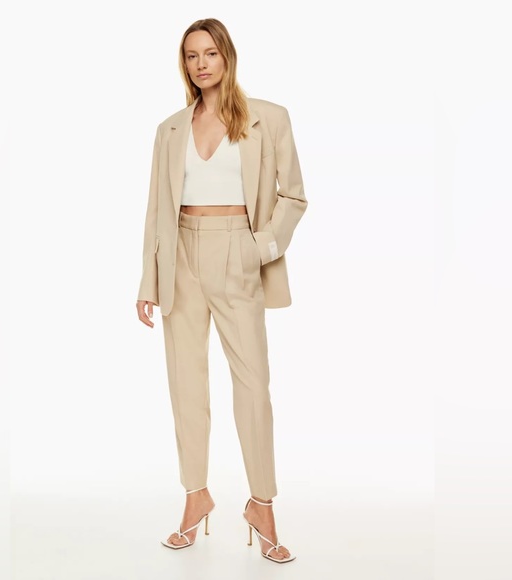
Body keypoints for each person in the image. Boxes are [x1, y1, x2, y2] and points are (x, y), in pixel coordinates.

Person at [136, 17, 307, 563]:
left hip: (240, 252)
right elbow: (156, 210)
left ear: (227, 56)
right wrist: (148, 280)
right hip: (180, 258)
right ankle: (196, 496)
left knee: (253, 385)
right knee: (186, 385)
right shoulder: (170, 129)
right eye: (191, 56)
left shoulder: (269, 118)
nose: (201, 64)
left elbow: (294, 196)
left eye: (209, 53)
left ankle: (262, 504)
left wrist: (260, 248)